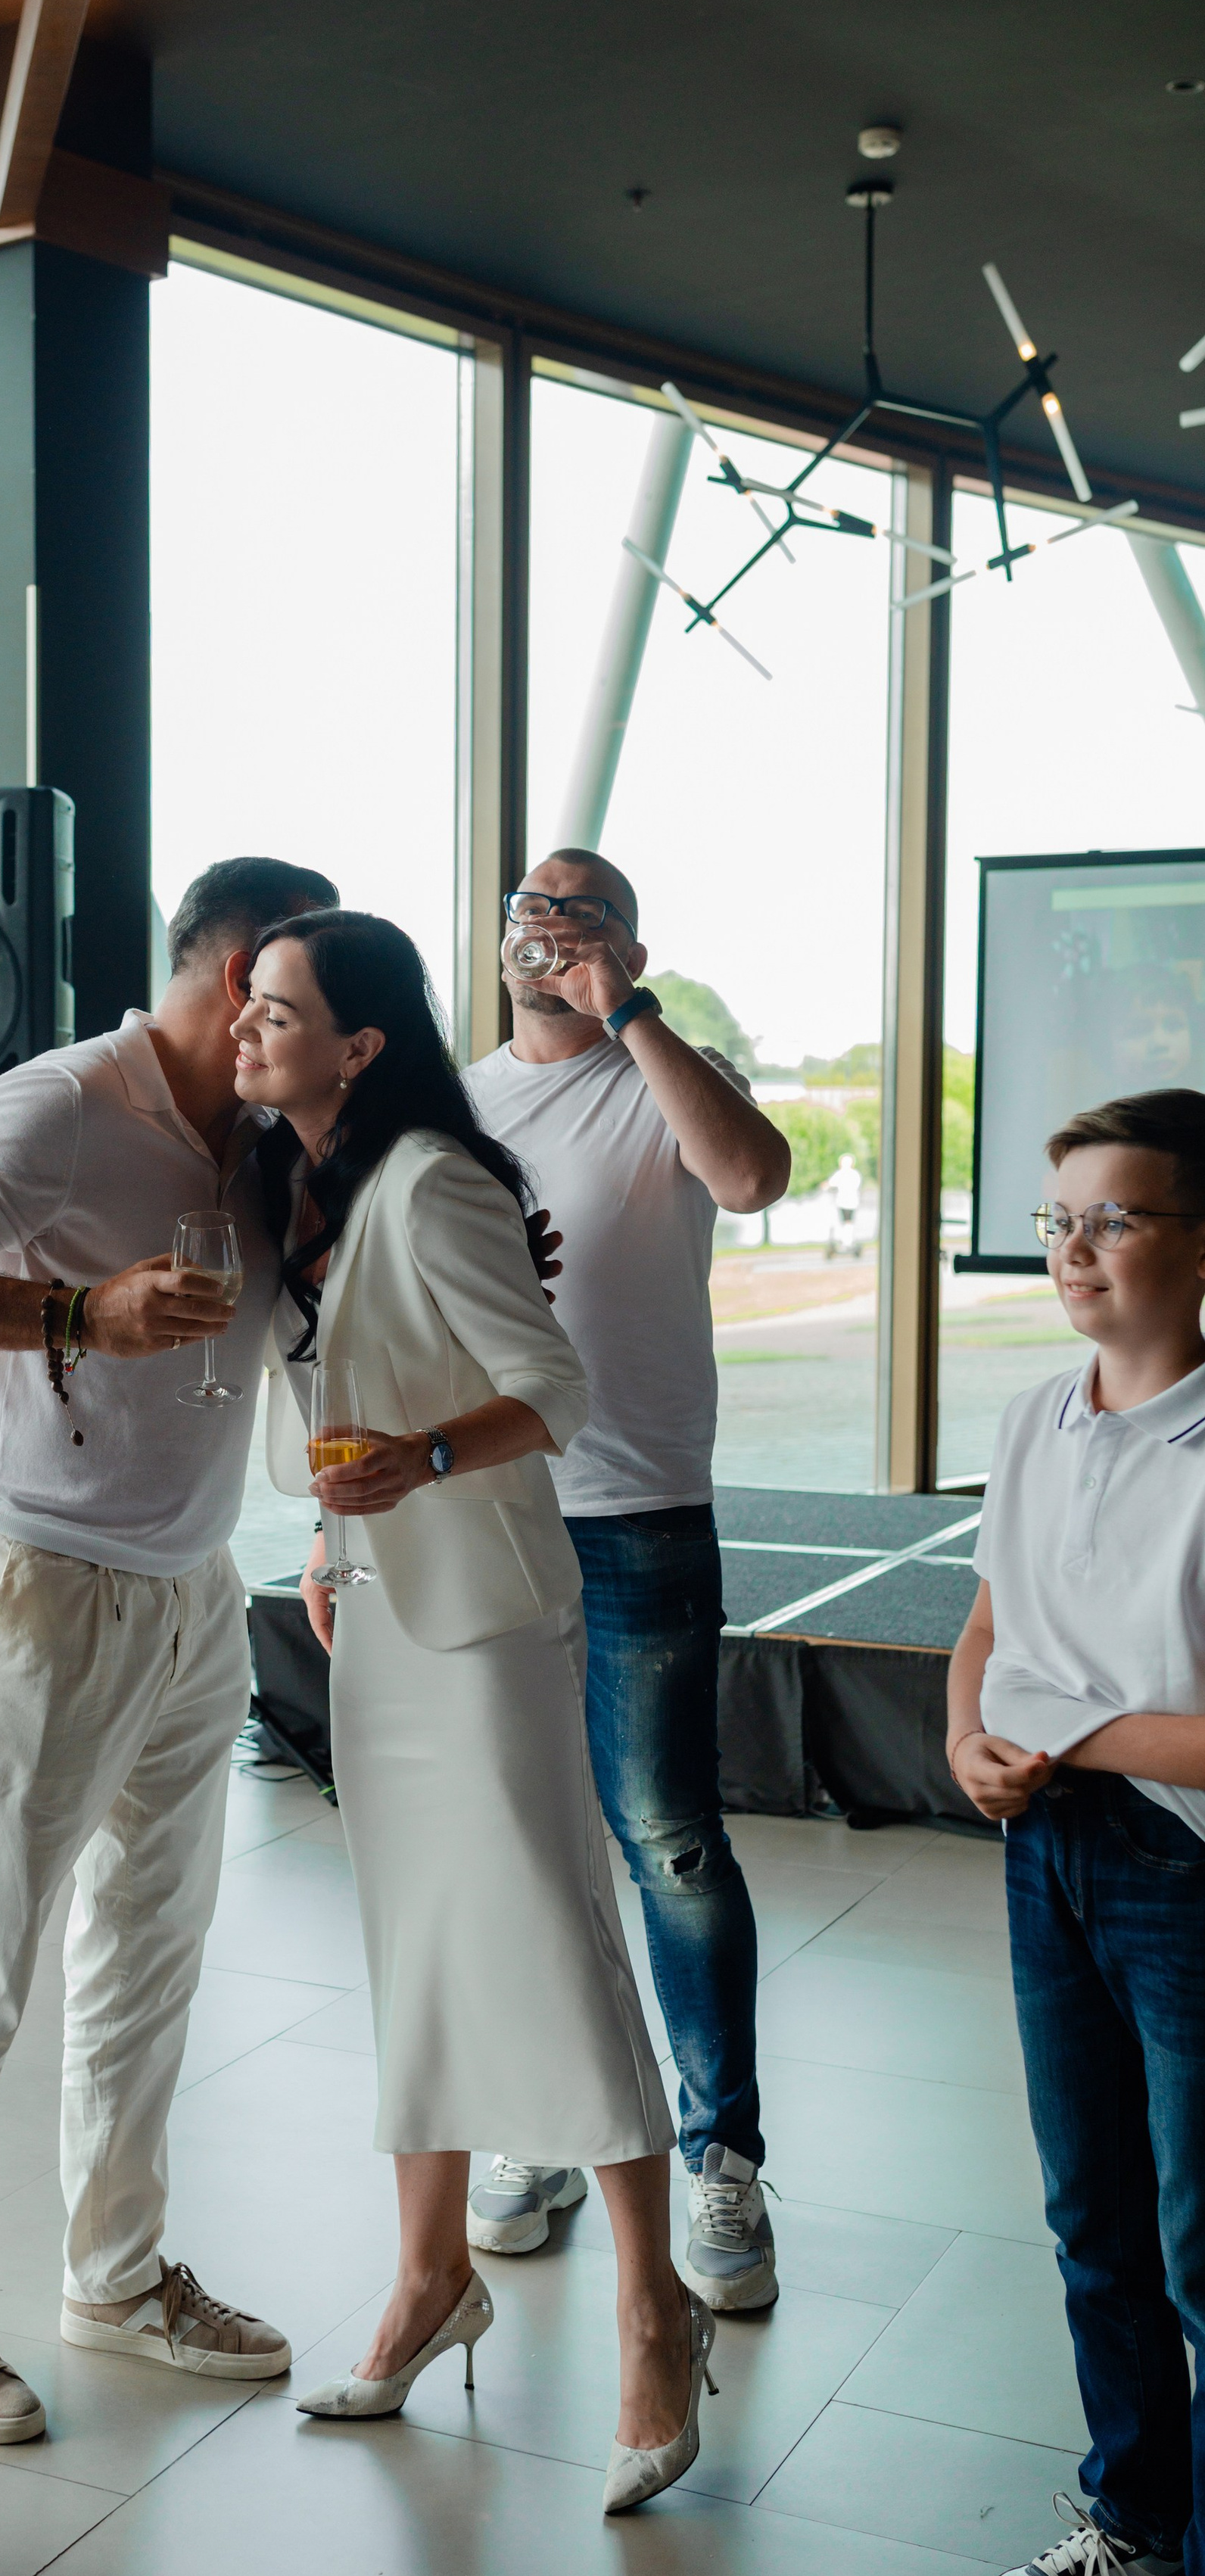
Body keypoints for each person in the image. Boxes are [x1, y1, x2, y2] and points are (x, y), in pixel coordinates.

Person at [0, 856, 340, 2444]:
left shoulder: (263, 1135)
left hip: (194, 1588)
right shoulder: (56, 1103)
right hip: (35, 1586)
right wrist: (77, 1316)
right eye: (309, 986)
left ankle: (112, 2276)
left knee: (147, 1945)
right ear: (246, 963)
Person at [244, 909, 707, 2509]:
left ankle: (655, 2313)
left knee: (552, 1943)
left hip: (489, 1623)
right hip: (376, 1613)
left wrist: (424, 1463)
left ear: (358, 1044)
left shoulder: (430, 1182)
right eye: (243, 1004)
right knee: (414, 1957)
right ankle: (426, 2278)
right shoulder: (292, 1186)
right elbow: (342, 1386)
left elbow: (548, 1390)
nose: (247, 1028)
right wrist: (331, 1520)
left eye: (276, 1009)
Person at [459, 848, 792, 2311]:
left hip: (642, 1509)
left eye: (581, 912)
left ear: (625, 942)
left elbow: (754, 1175)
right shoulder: (457, 1102)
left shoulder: (666, 1068)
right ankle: (541, 2121)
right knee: (525, 1843)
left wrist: (634, 1010)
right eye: (532, 908)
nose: (549, 928)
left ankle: (722, 2155)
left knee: (668, 1838)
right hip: (490, 1508)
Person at [949, 1086, 1205, 2576]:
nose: (1070, 1249)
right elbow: (984, 1621)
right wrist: (970, 1735)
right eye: (1054, 1219)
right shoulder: (1036, 1416)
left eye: (1107, 1217)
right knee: (1089, 2219)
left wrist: (1075, 1730)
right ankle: (1135, 2525)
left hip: (1178, 1869)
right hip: (1041, 1847)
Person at [827, 1149, 864, 1260]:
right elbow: (831, 1183)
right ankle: (844, 1240)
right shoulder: (842, 1174)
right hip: (842, 1202)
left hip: (850, 1202)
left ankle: (847, 1242)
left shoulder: (853, 1175)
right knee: (844, 1222)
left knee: (848, 1222)